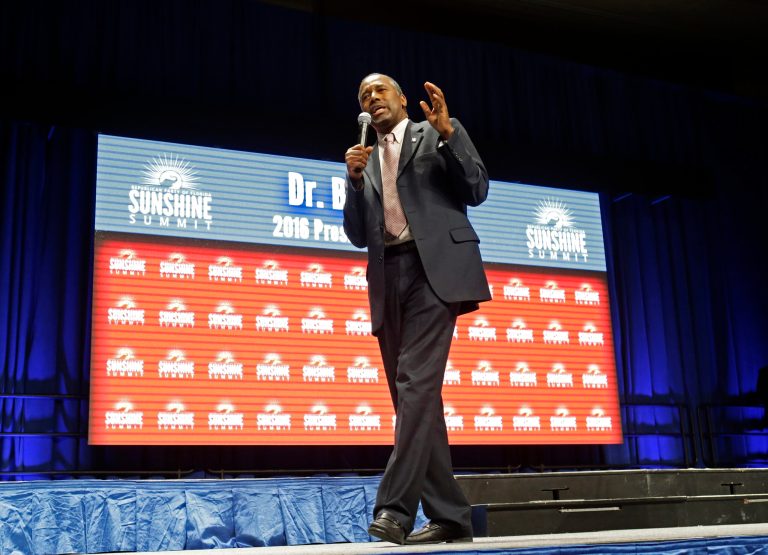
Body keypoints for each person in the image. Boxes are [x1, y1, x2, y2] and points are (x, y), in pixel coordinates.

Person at [343, 73, 491, 545]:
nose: (372, 98)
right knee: (416, 399)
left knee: (413, 386)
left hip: (435, 273)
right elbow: (355, 234)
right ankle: (451, 516)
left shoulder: (433, 134)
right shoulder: (363, 159)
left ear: (402, 99)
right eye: (364, 95)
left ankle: (394, 510)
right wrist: (351, 182)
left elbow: (477, 188)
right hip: (389, 281)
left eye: (379, 90)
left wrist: (450, 132)